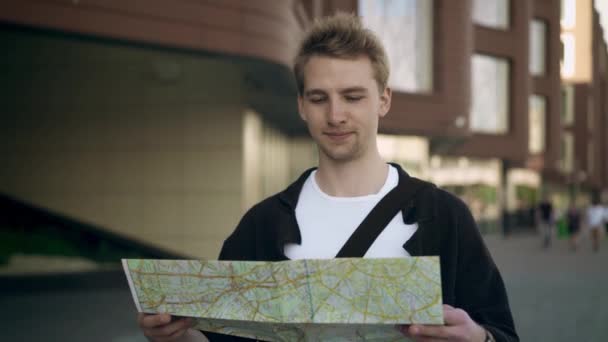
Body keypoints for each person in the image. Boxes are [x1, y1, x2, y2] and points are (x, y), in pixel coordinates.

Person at [137, 13, 518, 342]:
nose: (335, 115)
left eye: (352, 97)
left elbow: (502, 333)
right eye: (319, 99)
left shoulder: (445, 217)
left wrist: (478, 337)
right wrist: (178, 335)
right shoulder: (261, 224)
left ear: (383, 99)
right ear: (302, 106)